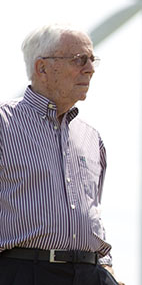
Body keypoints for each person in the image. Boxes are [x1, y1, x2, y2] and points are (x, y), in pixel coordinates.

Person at [0, 24, 124, 285]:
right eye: (79, 59)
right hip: (25, 273)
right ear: (42, 68)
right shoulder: (4, 125)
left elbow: (93, 213)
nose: (90, 68)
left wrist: (106, 266)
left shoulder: (92, 139)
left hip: (92, 274)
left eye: (92, 59)